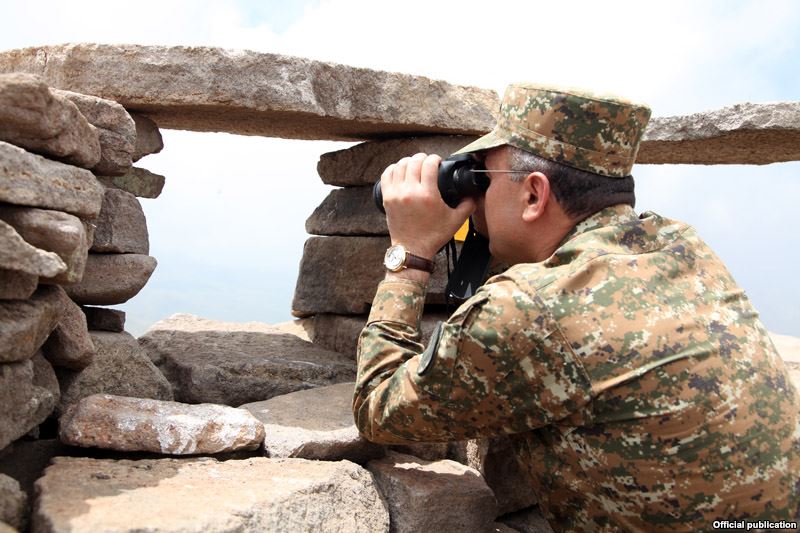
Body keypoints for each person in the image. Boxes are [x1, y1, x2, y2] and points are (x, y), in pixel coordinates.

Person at [352, 83, 800, 531]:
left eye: (482, 178)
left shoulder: (528, 309)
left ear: (533, 195)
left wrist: (410, 253)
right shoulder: (683, 246)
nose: (477, 199)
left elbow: (377, 407)